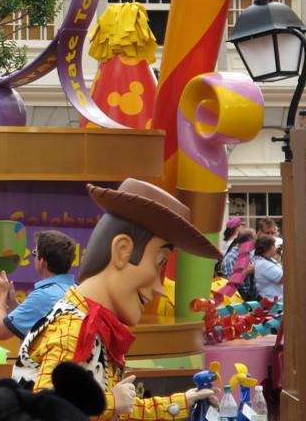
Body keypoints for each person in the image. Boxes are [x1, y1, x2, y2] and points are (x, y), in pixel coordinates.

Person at [12, 179, 220, 419]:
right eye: (159, 262)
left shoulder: (94, 326)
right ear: (122, 250)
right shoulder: (73, 329)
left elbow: (121, 410)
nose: (160, 289)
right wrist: (111, 404)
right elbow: (49, 412)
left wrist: (183, 402)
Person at [0, 230, 76, 341]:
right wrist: (12, 303)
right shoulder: (76, 290)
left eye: (34, 253)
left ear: (42, 262)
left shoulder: (44, 296)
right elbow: (37, 317)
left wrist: (1, 295)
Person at [252, 236, 283, 302]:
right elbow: (284, 279)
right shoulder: (263, 264)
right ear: (268, 247)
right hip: (272, 303)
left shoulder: (268, 260)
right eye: (274, 245)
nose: (276, 248)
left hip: (275, 300)